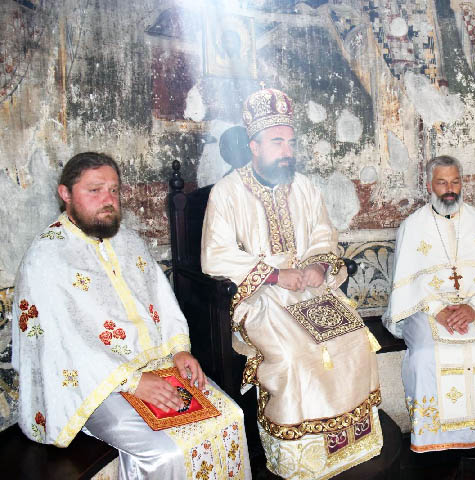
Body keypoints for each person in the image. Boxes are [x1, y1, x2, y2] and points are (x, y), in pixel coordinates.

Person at [12, 152, 251, 480]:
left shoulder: (128, 240)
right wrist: (133, 382)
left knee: (229, 417)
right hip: (92, 386)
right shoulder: (45, 258)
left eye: (114, 190)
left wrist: (179, 349)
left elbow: (162, 302)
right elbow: (59, 347)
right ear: (65, 193)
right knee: (166, 452)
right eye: (94, 190)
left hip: (154, 366)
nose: (108, 200)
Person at [201, 87, 382, 479]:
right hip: (261, 295)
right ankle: (302, 458)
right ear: (254, 145)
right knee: (294, 356)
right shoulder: (227, 193)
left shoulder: (303, 186)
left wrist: (318, 265)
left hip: (311, 289)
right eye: (277, 142)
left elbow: (323, 234)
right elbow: (215, 254)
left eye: (291, 142)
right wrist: (273, 274)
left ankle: (351, 445)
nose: (287, 151)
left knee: (354, 340)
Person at [383, 155, 475, 453]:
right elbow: (408, 285)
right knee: (426, 355)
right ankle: (432, 438)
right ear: (429, 185)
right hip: (427, 308)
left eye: (455, 182)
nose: (450, 189)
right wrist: (438, 310)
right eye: (442, 182)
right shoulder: (413, 226)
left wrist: (474, 307)